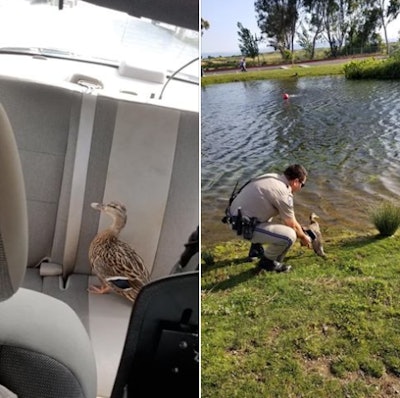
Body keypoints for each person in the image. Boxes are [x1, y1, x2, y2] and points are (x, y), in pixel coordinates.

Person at [226, 164, 312, 273]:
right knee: (290, 236)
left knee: (267, 211)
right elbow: (292, 224)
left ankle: (255, 250)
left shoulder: (272, 177)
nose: (301, 188)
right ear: (295, 181)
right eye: (302, 185)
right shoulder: (283, 193)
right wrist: (304, 238)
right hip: (241, 227)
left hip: (234, 218)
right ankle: (267, 263)